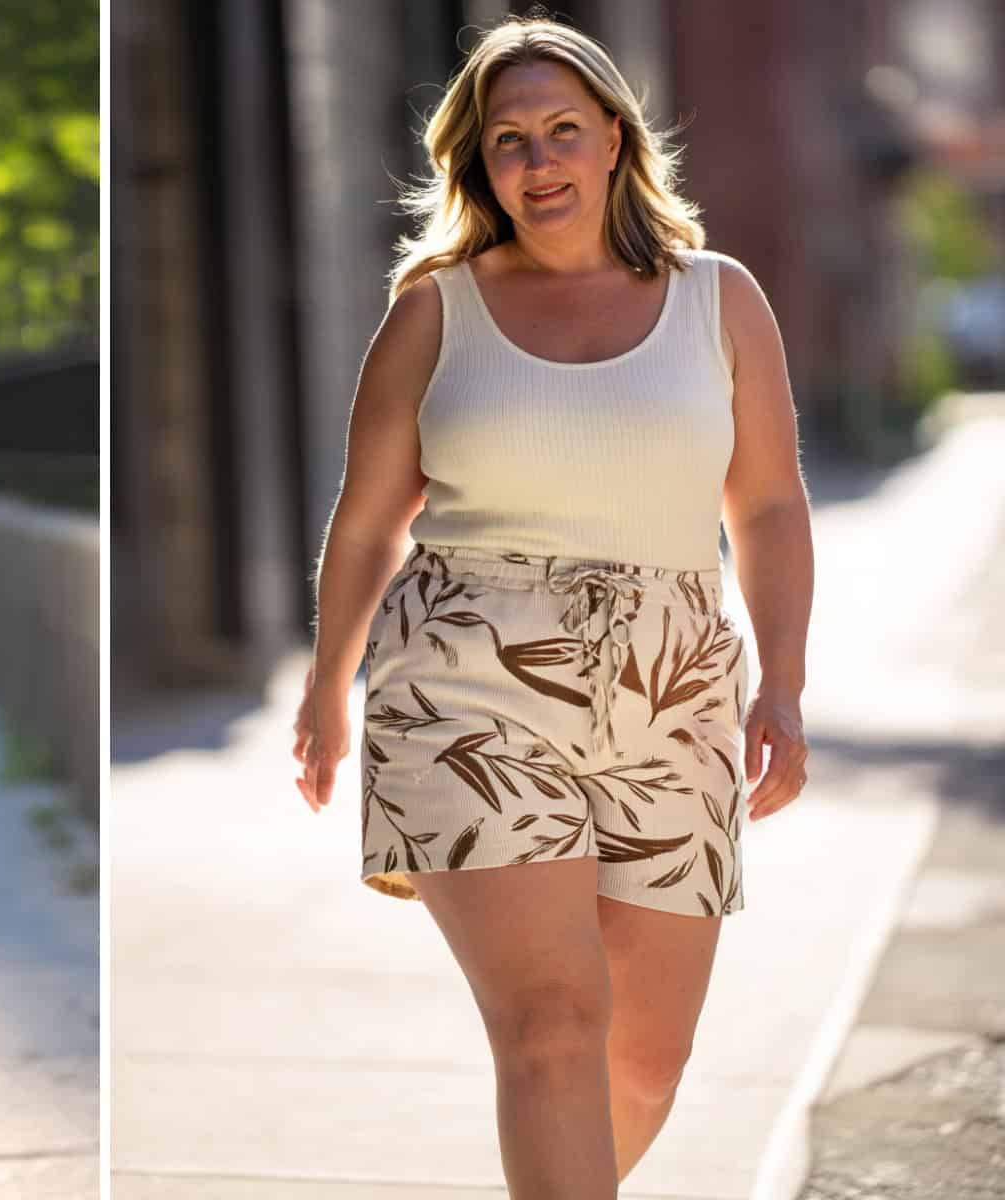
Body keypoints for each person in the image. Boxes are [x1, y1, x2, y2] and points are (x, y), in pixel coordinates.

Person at [292, 15, 813, 1198]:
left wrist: (782, 681)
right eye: (507, 141)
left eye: (562, 132)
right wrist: (327, 688)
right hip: (466, 682)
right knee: (551, 1030)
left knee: (644, 1064)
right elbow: (368, 521)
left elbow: (771, 506)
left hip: (674, 685)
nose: (537, 163)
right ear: (478, 165)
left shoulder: (718, 301)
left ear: (618, 141)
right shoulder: (435, 310)